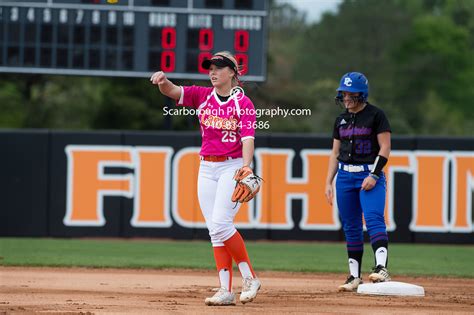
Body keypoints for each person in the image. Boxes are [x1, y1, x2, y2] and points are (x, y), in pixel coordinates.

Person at [150, 51, 261, 305]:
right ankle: (225, 290)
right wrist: (163, 81)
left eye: (219, 68)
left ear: (232, 72)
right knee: (214, 230)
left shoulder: (242, 103)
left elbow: (248, 139)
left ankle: (250, 277)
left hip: (231, 167)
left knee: (222, 223)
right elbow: (173, 92)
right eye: (210, 67)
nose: (213, 72)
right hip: (206, 167)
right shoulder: (202, 96)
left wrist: (246, 166)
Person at [324, 72, 392, 292]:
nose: (346, 97)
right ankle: (354, 276)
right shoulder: (340, 120)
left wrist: (374, 174)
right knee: (351, 226)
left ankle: (381, 267)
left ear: (362, 94)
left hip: (368, 173)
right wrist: (328, 182)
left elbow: (385, 148)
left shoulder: (376, 115)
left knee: (373, 219)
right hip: (344, 176)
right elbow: (335, 153)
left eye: (351, 93)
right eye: (344, 93)